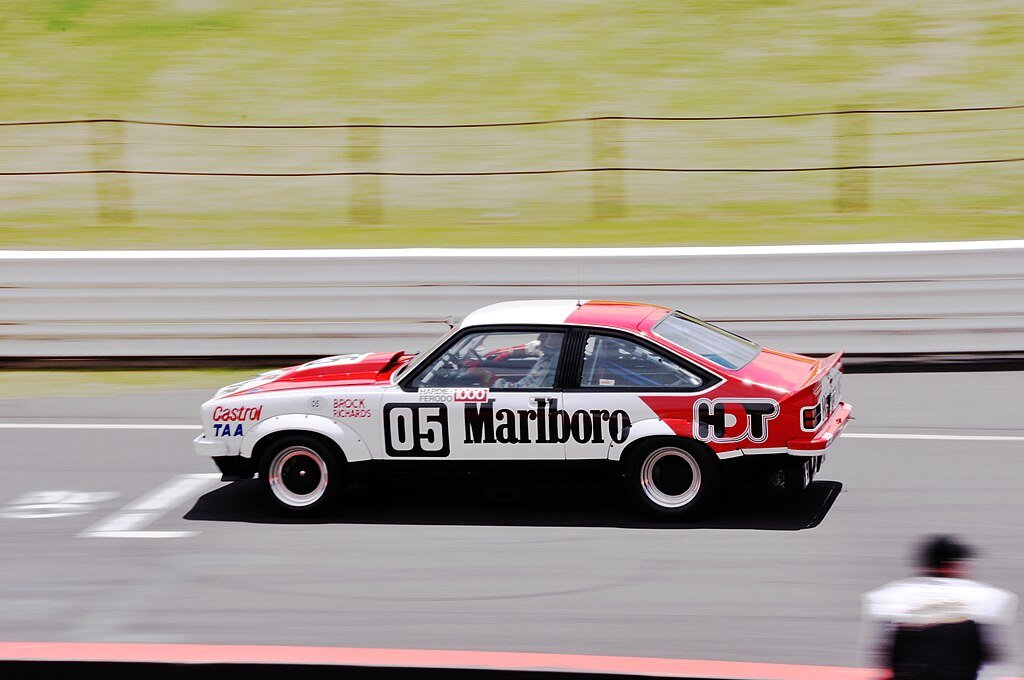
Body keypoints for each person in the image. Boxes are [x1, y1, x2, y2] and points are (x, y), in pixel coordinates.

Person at [862, 535, 1018, 680]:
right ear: (948, 566)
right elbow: (991, 658)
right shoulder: (981, 598)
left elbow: (883, 653)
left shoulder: (894, 596)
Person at [493, 332, 561, 389]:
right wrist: (510, 351)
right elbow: (534, 347)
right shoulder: (551, 352)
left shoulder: (551, 364)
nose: (540, 338)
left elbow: (526, 390)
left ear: (558, 339)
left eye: (546, 335)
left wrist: (491, 381)